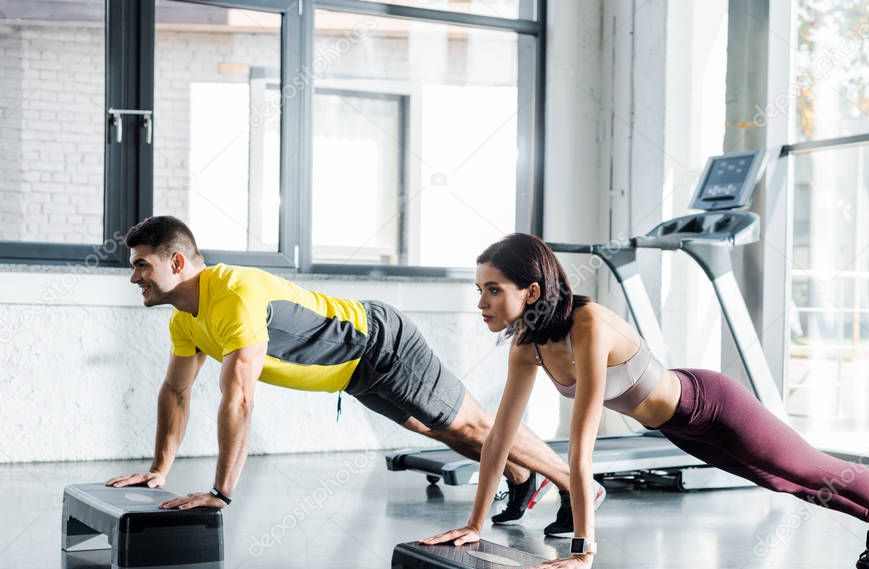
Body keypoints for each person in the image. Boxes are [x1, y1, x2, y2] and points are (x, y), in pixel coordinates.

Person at [422, 233, 869, 569]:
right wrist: (475, 523)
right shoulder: (526, 346)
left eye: (493, 290)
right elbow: (499, 438)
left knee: (810, 468)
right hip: (678, 429)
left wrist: (584, 549)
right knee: (781, 482)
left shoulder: (589, 327)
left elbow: (581, 453)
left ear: (531, 289)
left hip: (713, 404)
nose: (482, 303)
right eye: (479, 290)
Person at [105, 216, 604, 535]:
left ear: (175, 261)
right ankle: (521, 477)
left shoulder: (232, 292)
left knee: (471, 424)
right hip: (355, 373)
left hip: (380, 343)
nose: (134, 278)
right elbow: (176, 391)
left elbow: (238, 399)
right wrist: (159, 469)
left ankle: (576, 485)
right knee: (443, 430)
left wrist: (219, 492)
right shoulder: (185, 320)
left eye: (142, 266)